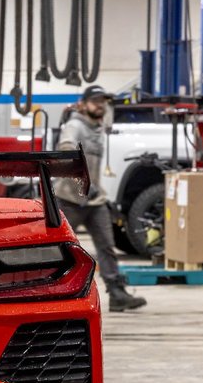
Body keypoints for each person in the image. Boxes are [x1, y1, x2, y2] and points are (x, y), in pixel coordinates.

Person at [54, 84, 145, 312]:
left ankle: (116, 293)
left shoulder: (97, 129)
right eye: (96, 101)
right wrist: (81, 182)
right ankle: (51, 293)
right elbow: (65, 154)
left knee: (106, 246)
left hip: (94, 201)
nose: (100, 105)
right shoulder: (74, 126)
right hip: (69, 200)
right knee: (58, 248)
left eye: (103, 101)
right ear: (83, 104)